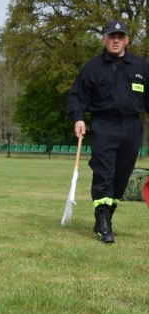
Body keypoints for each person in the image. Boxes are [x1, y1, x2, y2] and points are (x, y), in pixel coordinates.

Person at [67, 19, 149, 244]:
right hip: (104, 126)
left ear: (127, 40)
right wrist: (78, 118)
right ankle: (104, 222)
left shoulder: (142, 67)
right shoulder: (92, 67)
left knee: (121, 177)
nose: (115, 40)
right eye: (111, 36)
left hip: (132, 127)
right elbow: (76, 97)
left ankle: (105, 215)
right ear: (103, 38)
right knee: (104, 172)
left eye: (120, 36)